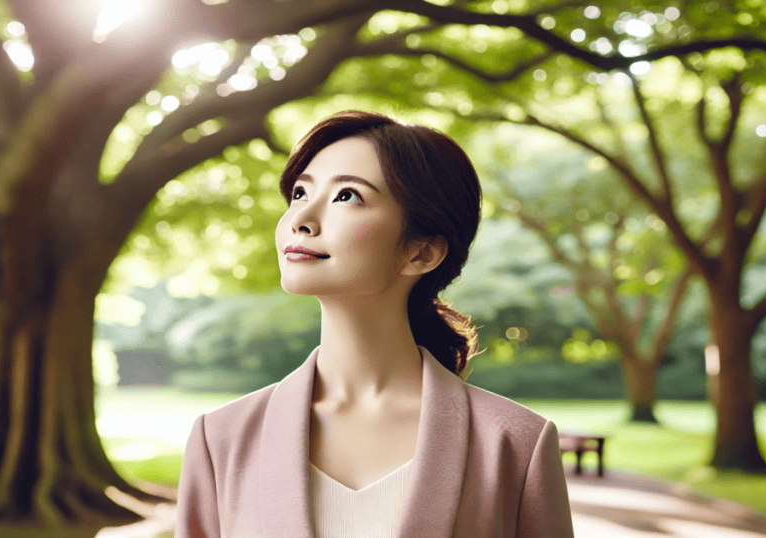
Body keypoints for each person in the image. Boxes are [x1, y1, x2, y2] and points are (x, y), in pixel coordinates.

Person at [174, 110, 574, 537]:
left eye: (346, 196)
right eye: (299, 194)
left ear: (422, 253)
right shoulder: (221, 440)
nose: (301, 219)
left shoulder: (515, 445)